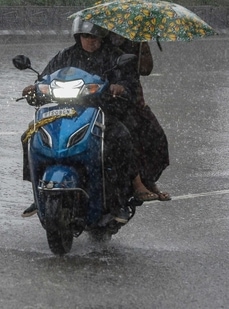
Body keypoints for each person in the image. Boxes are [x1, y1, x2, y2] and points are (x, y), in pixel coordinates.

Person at [19, 17, 156, 223]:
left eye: (95, 36)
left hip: (102, 111)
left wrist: (118, 87)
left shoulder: (115, 56)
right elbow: (45, 78)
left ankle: (120, 199)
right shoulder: (65, 56)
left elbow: (128, 82)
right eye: (85, 36)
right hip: (65, 112)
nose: (90, 40)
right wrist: (35, 89)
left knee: (120, 138)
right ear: (78, 36)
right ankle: (39, 193)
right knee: (29, 136)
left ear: (102, 37)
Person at [108, 32, 171, 201]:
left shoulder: (134, 41)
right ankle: (137, 184)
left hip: (132, 99)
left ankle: (148, 180)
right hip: (107, 101)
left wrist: (143, 47)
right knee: (127, 138)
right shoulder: (100, 41)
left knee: (157, 139)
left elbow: (145, 70)